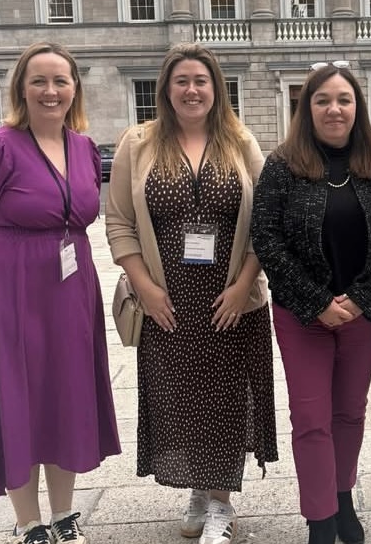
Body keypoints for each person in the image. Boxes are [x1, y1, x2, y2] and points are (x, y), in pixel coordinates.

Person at [0, 41, 121, 544]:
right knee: (16, 395)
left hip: (68, 286)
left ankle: (63, 516)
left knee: (65, 392)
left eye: (60, 81)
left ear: (74, 89)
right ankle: (29, 522)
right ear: (21, 89)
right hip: (8, 286)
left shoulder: (84, 148)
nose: (50, 90)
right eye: (38, 80)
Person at [105, 42, 277, 544]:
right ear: (166, 89)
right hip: (168, 300)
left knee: (225, 398)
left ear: (216, 88)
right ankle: (202, 489)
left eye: (201, 80)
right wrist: (145, 288)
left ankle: (221, 504)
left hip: (230, 300)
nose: (192, 90)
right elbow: (119, 222)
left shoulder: (240, 141)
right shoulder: (138, 144)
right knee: (181, 398)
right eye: (181, 81)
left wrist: (244, 286)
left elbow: (266, 220)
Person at [251, 62, 371, 544]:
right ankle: (320, 518)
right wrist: (317, 301)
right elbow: (267, 238)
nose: (334, 109)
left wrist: (363, 298)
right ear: (307, 108)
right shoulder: (282, 165)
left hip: (363, 312)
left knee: (349, 412)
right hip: (302, 316)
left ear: (357, 107)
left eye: (344, 99)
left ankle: (342, 498)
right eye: (322, 100)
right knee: (310, 418)